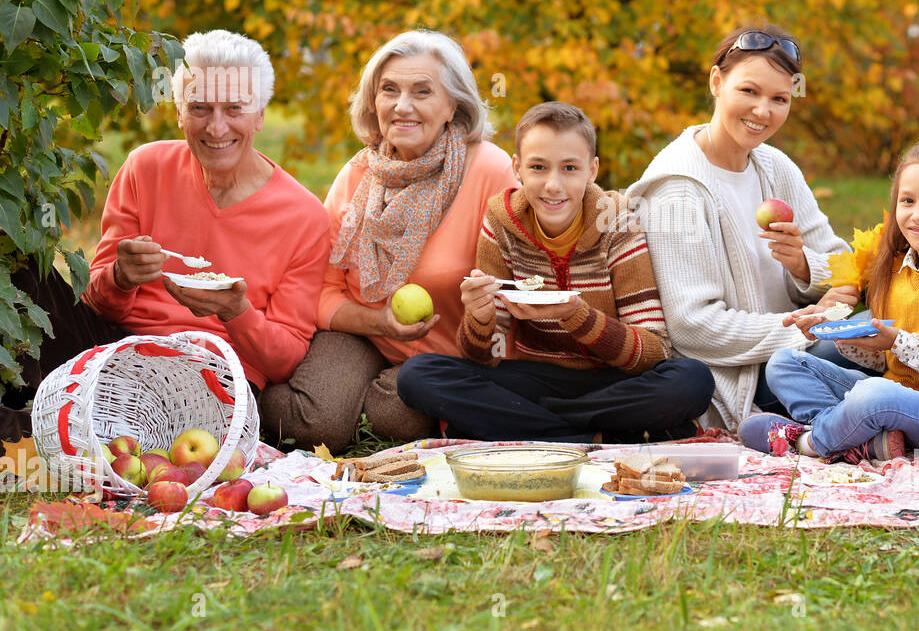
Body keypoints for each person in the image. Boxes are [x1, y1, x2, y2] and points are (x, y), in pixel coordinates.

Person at [1, 30, 331, 441]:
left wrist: (237, 312)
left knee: (139, 420)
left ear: (260, 114)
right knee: (16, 261)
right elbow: (97, 303)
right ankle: (43, 412)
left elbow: (284, 362)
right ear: (179, 112)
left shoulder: (305, 216)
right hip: (113, 345)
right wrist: (121, 278)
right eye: (199, 108)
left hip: (208, 377)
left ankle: (35, 429)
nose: (216, 126)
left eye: (234, 108)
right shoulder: (145, 167)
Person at [259, 30, 517, 453]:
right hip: (364, 334)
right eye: (389, 90)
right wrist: (379, 323)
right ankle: (253, 398)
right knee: (309, 425)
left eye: (422, 91)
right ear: (373, 102)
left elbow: (510, 289)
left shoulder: (489, 170)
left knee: (394, 415)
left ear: (453, 104)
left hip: (447, 356)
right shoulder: (359, 174)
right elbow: (324, 289)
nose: (402, 106)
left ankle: (363, 402)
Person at [396, 102, 715, 442]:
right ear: (517, 168)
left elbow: (653, 353)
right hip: (535, 377)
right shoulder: (501, 223)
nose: (553, 185)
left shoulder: (617, 221)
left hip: (612, 381)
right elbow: (486, 357)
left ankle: (531, 427)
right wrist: (480, 317)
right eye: (538, 167)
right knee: (418, 375)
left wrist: (578, 316)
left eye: (569, 168)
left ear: (591, 170)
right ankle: (598, 438)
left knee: (691, 380)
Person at [626, 26, 853, 432]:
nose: (763, 112)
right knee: (858, 352)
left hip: (802, 348)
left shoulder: (775, 167)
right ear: (717, 82)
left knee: (885, 331)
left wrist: (805, 267)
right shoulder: (677, 188)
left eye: (779, 99)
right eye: (749, 91)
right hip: (739, 379)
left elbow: (848, 266)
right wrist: (802, 328)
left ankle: (857, 425)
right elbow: (693, 326)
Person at [740, 138, 919, 462]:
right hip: (896, 397)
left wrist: (898, 342)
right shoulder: (896, 266)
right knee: (785, 364)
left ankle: (807, 442)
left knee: (874, 394)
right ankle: (864, 444)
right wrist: (837, 334)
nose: (918, 214)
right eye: (908, 200)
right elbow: (883, 359)